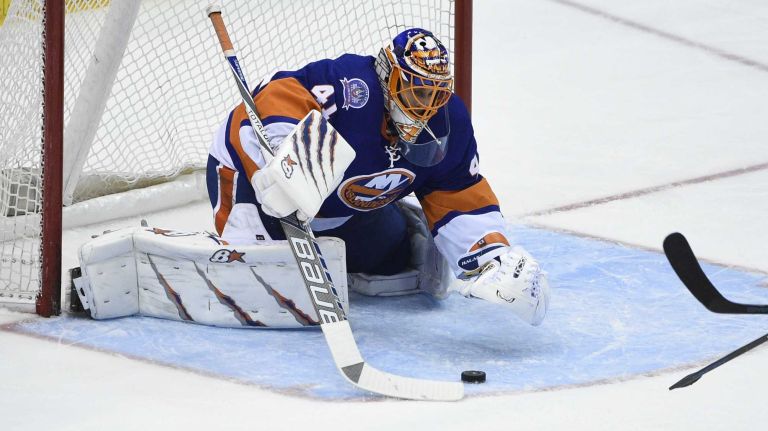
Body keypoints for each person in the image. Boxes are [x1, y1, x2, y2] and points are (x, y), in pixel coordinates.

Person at [206, 28, 550, 326]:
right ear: (389, 76)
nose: (427, 106)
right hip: (252, 179)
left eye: (436, 93)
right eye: (418, 91)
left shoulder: (450, 122)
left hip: (344, 209)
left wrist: (490, 257)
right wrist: (286, 160)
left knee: (396, 263)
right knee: (264, 289)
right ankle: (240, 244)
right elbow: (274, 96)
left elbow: (457, 190)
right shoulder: (349, 86)